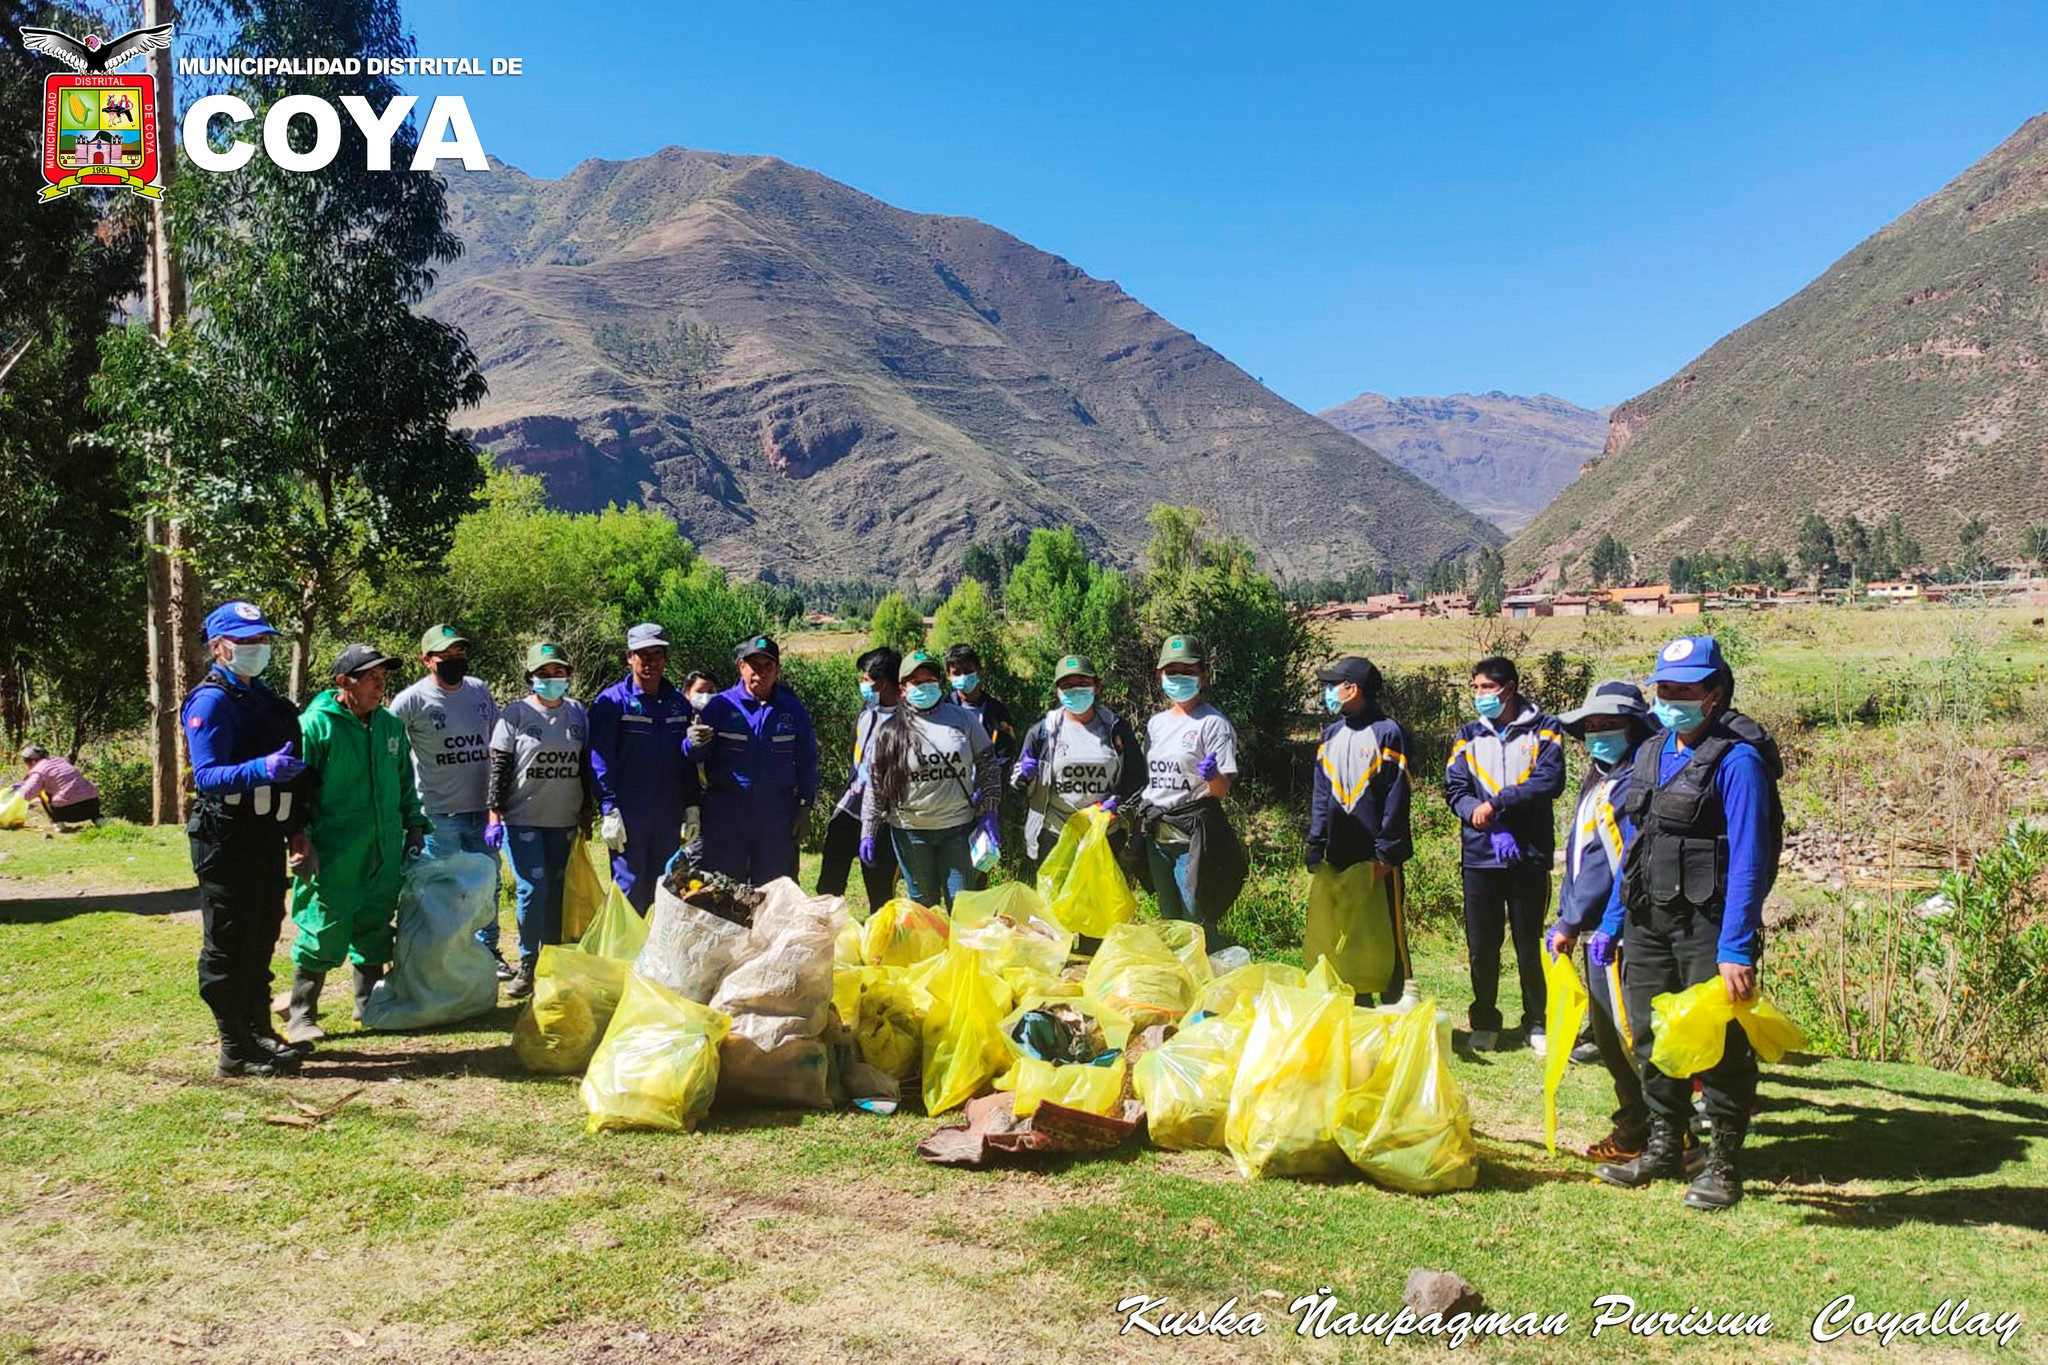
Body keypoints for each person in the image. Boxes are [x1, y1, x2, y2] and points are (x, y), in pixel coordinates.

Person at [1596, 636, 1782, 1211]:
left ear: (1714, 693)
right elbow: (1635, 846)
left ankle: (1723, 1166)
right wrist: (1613, 919)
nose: (1671, 698)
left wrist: (1736, 947)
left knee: (1720, 1046)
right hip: (1649, 924)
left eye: (1684, 689)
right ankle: (1664, 1147)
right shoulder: (1651, 752)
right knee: (1654, 1039)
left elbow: (1752, 858)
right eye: (1663, 689)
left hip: (1709, 927)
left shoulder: (1738, 761)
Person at [182, 601, 315, 1078]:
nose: (258, 648)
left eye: (263, 640)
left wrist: (295, 828)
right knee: (228, 940)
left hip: (265, 833)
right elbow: (208, 775)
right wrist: (261, 769)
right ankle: (233, 1047)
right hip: (226, 835)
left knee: (262, 931)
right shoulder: (212, 701)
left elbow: (292, 778)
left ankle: (259, 1030)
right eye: (247, 641)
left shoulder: (264, 700)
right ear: (219, 648)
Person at [285, 644, 431, 1043]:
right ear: (342, 682)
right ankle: (301, 1013)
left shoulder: (389, 726)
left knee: (375, 924)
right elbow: (295, 791)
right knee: (324, 926)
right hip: (335, 852)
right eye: (369, 677)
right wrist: (299, 838)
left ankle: (369, 1005)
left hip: (382, 850)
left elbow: (404, 783)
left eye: (383, 677)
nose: (379, 684)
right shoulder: (315, 727)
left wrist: (414, 825)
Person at [1544, 680, 1659, 1165]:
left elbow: (1616, 869)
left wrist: (1575, 921)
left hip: (1618, 931)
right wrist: (1566, 914)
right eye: (1590, 727)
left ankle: (1664, 1131)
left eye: (1608, 725)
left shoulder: (1634, 784)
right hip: (1591, 928)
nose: (1597, 734)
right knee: (1610, 1038)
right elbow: (1581, 858)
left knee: (1631, 1037)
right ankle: (1637, 1126)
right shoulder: (1601, 779)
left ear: (1632, 728)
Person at [1445, 655, 1565, 1054]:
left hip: (1527, 855)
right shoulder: (1466, 735)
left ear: (1508, 689)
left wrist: (1497, 805)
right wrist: (1475, 814)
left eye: (1486, 689)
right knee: (1482, 943)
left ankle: (1536, 1020)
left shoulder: (1545, 730)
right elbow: (1456, 789)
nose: (1480, 696)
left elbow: (1548, 781)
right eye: (1475, 688)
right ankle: (1485, 1019)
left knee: (1529, 942)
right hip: (1480, 856)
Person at [389, 624, 508, 979]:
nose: (456, 660)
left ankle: (488, 951)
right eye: (447, 655)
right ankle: (434, 958)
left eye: (460, 653)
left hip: (481, 812)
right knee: (436, 888)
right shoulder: (410, 701)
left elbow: (497, 745)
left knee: (488, 885)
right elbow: (388, 747)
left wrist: (496, 810)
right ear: (427, 660)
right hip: (437, 814)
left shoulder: (479, 691)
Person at [487, 641, 594, 999]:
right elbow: (499, 766)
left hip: (563, 818)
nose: (552, 678)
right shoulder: (515, 714)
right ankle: (528, 963)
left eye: (558, 672)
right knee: (535, 890)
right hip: (524, 818)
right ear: (530, 677)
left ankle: (555, 961)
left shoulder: (577, 713)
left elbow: (584, 765)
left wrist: (586, 811)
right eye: (544, 674)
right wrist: (494, 814)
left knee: (559, 892)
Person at [1304, 655, 1413, 1005]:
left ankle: (1397, 1001)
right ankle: (1356, 1001)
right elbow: (1321, 795)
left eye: (1334, 685)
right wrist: (1316, 844)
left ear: (1354, 689)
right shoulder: (1329, 736)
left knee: (1387, 930)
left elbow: (1396, 798)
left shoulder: (1387, 733)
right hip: (1338, 854)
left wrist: (1386, 852)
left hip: (1377, 858)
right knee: (1346, 933)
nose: (1329, 692)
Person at [1123, 635, 1247, 935]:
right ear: (1160, 676)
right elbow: (1150, 779)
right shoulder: (1156, 724)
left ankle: (1208, 977)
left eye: (1188, 671)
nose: (1179, 678)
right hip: (1158, 837)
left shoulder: (1213, 724)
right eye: (1171, 671)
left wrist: (1214, 775)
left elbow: (1220, 791)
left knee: (1195, 919)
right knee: (1170, 918)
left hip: (1191, 839)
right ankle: (1181, 978)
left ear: (1203, 677)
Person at [860, 649, 999, 908]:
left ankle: (960, 950)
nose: (925, 686)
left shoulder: (963, 719)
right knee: (923, 906)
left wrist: (989, 810)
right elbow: (876, 785)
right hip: (911, 832)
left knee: (962, 903)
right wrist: (868, 830)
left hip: (958, 828)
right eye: (917, 681)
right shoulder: (889, 730)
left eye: (930, 679)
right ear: (903, 688)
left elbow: (989, 764)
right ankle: (930, 950)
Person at [685, 635, 818, 884]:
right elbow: (694, 758)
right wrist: (691, 743)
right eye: (754, 665)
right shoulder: (720, 706)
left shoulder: (792, 710)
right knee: (722, 890)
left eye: (768, 665)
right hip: (726, 818)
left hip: (776, 819)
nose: (761, 672)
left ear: (777, 669)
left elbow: (807, 760)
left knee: (776, 892)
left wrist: (804, 806)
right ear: (741, 667)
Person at [587, 623, 698, 912]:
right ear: (629, 657)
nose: (650, 662)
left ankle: (659, 955)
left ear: (666, 658)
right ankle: (629, 956)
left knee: (668, 889)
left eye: (657, 654)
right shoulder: (611, 702)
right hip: (629, 814)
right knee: (630, 890)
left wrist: (691, 804)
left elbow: (685, 760)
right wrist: (609, 808)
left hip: (669, 813)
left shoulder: (678, 705)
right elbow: (600, 760)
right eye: (642, 655)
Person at [1011, 653, 1142, 879]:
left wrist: (1118, 803)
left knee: (1099, 907)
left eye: (1083, 684)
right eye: (1068, 686)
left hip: (1104, 834)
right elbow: (1018, 785)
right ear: (1058, 692)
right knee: (1055, 907)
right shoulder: (1043, 732)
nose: (1075, 690)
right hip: (1056, 834)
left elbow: (1137, 778)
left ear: (1097, 686)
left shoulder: (1115, 729)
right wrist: (1025, 775)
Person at [816, 647, 903, 908]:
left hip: (883, 818)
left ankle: (882, 943)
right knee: (828, 886)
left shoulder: (908, 719)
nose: (862, 686)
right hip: (851, 808)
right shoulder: (866, 713)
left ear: (883, 683)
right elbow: (855, 755)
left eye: (865, 680)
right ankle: (826, 938)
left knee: (880, 889)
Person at [946, 644, 1015, 889]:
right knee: (949, 871)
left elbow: (1006, 755)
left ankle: (976, 918)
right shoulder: (942, 708)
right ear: (948, 675)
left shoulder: (997, 712)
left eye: (968, 670)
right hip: (947, 805)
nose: (963, 677)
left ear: (978, 670)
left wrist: (986, 792)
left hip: (982, 805)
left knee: (978, 870)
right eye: (956, 672)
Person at [13, 745, 101, 825]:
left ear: (32, 761)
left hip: (69, 811)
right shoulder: (61, 761)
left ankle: (58, 823)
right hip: (93, 805)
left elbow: (27, 794)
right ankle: (98, 819)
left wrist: (21, 788)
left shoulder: (38, 770)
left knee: (42, 792)